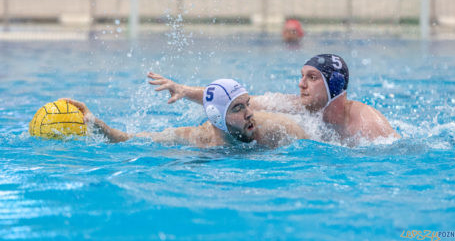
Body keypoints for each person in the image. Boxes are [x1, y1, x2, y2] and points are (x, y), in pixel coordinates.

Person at [148, 54, 399, 145]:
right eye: (301, 76)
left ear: (333, 85)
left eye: (311, 78)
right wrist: (183, 90)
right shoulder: (296, 105)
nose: (301, 84)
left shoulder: (368, 124)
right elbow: (232, 100)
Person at [61, 79, 307, 148]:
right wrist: (96, 123)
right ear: (217, 118)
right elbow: (130, 139)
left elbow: (313, 148)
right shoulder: (195, 138)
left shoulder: (276, 130)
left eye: (247, 104)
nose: (249, 114)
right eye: (238, 108)